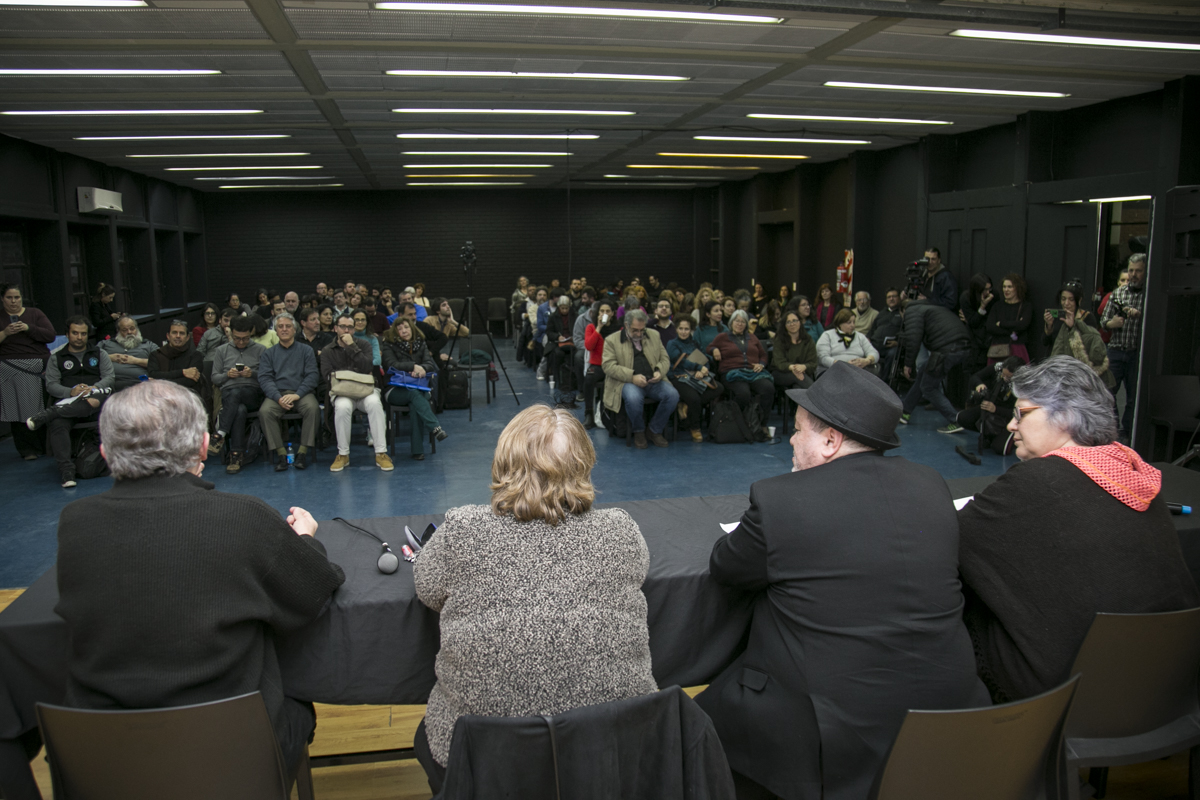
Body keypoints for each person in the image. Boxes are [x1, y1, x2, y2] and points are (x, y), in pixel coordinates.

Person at [697, 362, 988, 800]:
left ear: (830, 441)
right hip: (951, 714)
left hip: (830, 734)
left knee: (696, 724)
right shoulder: (931, 485)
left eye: (799, 431)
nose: (792, 440)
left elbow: (728, 566)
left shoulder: (780, 500)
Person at [54, 379, 345, 787]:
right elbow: (312, 591)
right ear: (204, 446)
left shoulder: (75, 524)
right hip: (232, 753)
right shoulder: (243, 517)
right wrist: (306, 542)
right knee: (296, 700)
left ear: (104, 452)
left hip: (105, 757)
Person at [411, 405, 658, 793]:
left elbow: (427, 589)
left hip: (480, 765)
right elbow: (639, 570)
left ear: (504, 462)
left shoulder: (462, 529)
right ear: (584, 464)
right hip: (614, 759)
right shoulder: (621, 530)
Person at [958, 357, 1200, 704]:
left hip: (1078, 696)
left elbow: (955, 540)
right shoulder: (1132, 473)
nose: (1011, 425)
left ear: (1067, 417)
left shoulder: (1036, 481)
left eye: (1022, 414)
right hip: (1164, 687)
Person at [26, 316, 114, 487]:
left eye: (83, 334)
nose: (79, 337)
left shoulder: (99, 353)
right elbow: (51, 385)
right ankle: (67, 472)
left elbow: (110, 378)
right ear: (67, 334)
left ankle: (48, 414)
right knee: (58, 423)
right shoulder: (56, 357)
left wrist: (93, 389)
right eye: (75, 333)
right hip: (68, 402)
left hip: (98, 399)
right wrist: (70, 391)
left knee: (92, 401)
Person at [323, 314, 391, 472]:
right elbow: (327, 374)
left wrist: (352, 347)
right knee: (342, 407)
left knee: (374, 403)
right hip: (343, 392)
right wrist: (356, 375)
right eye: (342, 326)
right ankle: (343, 454)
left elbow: (367, 366)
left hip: (365, 390)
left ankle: (381, 452)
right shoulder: (328, 350)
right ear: (335, 328)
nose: (346, 330)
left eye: (350, 327)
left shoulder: (364, 344)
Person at [602, 309, 679, 449]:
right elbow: (608, 366)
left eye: (642, 330)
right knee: (633, 398)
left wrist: (659, 371)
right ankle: (639, 431)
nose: (639, 334)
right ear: (626, 325)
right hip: (626, 382)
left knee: (673, 395)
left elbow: (665, 358)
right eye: (635, 330)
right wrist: (631, 376)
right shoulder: (611, 340)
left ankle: (654, 430)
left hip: (653, 380)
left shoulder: (654, 335)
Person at [258, 313, 320, 472]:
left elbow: (312, 375)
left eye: (288, 326)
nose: (284, 329)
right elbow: (265, 379)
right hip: (277, 395)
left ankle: (302, 452)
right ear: (276, 331)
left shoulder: (306, 350)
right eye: (280, 326)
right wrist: (278, 398)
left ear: (295, 329)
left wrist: (297, 394)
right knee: (265, 412)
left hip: (301, 393)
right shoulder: (268, 353)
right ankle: (281, 454)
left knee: (312, 408)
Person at [0, 283, 56, 459]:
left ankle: (46, 446)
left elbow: (50, 335)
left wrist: (28, 328)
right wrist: (5, 333)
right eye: (9, 298)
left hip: (37, 365)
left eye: (17, 297)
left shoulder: (34, 314)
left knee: (40, 406)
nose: (14, 301)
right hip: (9, 366)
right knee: (16, 409)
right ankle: (27, 449)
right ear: (2, 299)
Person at [898, 298, 970, 434]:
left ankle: (956, 420)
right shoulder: (932, 306)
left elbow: (913, 340)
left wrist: (908, 364)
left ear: (903, 311)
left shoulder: (912, 312)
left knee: (928, 387)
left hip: (946, 350)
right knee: (923, 373)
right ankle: (905, 412)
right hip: (962, 346)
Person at [381, 317, 448, 461]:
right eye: (399, 329)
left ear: (412, 328)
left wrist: (423, 369)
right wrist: (412, 366)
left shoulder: (421, 343)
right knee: (415, 395)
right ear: (395, 332)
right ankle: (435, 428)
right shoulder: (388, 345)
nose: (404, 331)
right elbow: (390, 364)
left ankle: (418, 450)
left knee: (415, 399)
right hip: (394, 389)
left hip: (419, 387)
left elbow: (430, 364)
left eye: (406, 327)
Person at [209, 314, 266, 473]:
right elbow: (214, 377)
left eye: (245, 338)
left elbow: (268, 375)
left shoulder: (260, 349)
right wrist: (228, 375)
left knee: (237, 395)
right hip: (229, 394)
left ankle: (220, 434)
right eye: (237, 338)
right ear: (230, 333)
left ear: (251, 333)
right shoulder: (221, 350)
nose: (241, 342)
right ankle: (236, 455)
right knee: (238, 409)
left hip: (252, 393)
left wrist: (252, 374)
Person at [1100, 253, 1147, 436]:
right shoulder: (1119, 293)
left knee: (1133, 397)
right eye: (1131, 270)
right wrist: (1113, 323)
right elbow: (1104, 321)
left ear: (1145, 271)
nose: (1134, 274)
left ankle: (1128, 432)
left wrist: (1139, 315)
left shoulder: (1148, 294)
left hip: (1137, 353)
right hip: (1116, 351)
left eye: (1138, 271)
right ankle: (1115, 431)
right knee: (1108, 392)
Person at [711, 309, 774, 436]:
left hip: (753, 372)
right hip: (731, 373)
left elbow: (763, 355)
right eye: (737, 321)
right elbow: (709, 347)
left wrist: (761, 365)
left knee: (768, 388)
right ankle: (739, 423)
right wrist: (714, 349)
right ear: (731, 322)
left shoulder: (753, 337)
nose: (740, 324)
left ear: (746, 324)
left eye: (743, 322)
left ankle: (761, 424)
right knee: (743, 393)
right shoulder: (722, 337)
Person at [666, 316, 722, 442]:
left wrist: (703, 370)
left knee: (719, 387)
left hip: (696, 376)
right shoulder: (672, 344)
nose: (684, 331)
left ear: (691, 330)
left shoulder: (694, 343)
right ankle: (695, 428)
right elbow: (680, 361)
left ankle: (686, 406)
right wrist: (698, 367)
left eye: (687, 329)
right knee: (694, 398)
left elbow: (704, 358)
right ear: (676, 329)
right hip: (678, 377)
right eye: (681, 328)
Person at [1044, 283, 1112, 388]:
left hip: (1079, 371)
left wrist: (1073, 326)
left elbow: (1091, 345)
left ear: (1078, 300)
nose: (1066, 303)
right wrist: (1048, 327)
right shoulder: (1059, 316)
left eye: (1071, 299)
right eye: (1063, 299)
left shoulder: (1087, 318)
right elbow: (1046, 342)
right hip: (1058, 368)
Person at [954, 356, 1023, 455]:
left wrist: (996, 409)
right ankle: (989, 435)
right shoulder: (997, 368)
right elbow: (975, 377)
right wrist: (979, 384)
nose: (1004, 378)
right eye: (1003, 374)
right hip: (989, 408)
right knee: (962, 417)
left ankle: (999, 436)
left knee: (1001, 449)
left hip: (1007, 417)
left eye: (1008, 377)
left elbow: (1017, 412)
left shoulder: (1022, 385)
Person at [582, 299, 617, 430]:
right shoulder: (591, 328)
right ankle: (589, 413)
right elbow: (589, 346)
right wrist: (599, 328)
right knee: (589, 379)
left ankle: (606, 413)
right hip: (597, 365)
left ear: (613, 313)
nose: (604, 313)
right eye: (602, 311)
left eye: (608, 311)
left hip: (613, 365)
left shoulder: (618, 329)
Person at [147, 319, 204, 395]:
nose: (178, 336)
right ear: (168, 336)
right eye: (174, 333)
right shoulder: (156, 355)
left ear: (187, 337)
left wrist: (161, 382)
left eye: (182, 333)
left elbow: (190, 381)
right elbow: (154, 375)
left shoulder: (196, 356)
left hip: (187, 396)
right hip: (161, 396)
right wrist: (182, 372)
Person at [985, 273, 1032, 365]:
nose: (1006, 290)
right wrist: (1013, 330)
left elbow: (1023, 326)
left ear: (1017, 288)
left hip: (1017, 349)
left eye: (1010, 287)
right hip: (998, 350)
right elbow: (990, 327)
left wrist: (1001, 324)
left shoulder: (1025, 306)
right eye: (1004, 287)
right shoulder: (997, 306)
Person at [100, 316, 157, 390]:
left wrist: (135, 361)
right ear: (118, 331)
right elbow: (92, 358)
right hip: (113, 383)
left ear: (137, 329)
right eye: (124, 330)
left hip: (140, 383)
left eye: (132, 329)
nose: (129, 332)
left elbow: (161, 361)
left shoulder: (148, 345)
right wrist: (109, 357)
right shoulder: (106, 344)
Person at [816, 309, 878, 375]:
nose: (852, 325)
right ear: (840, 323)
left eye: (854, 322)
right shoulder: (827, 335)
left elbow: (874, 353)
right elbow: (822, 357)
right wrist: (843, 365)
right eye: (849, 322)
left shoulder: (860, 336)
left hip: (857, 371)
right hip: (833, 370)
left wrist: (867, 361)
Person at [770, 310, 817, 392]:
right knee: (797, 377)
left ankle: (799, 404)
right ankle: (817, 396)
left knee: (797, 387)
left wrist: (804, 367)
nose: (792, 324)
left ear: (800, 322)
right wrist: (794, 368)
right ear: (784, 325)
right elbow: (779, 363)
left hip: (802, 373)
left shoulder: (808, 339)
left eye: (794, 320)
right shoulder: (779, 340)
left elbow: (813, 363)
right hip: (780, 373)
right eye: (788, 322)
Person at [959, 273, 994, 378]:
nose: (987, 292)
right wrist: (982, 307)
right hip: (973, 342)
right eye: (984, 290)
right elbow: (974, 322)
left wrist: (972, 319)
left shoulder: (993, 297)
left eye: (989, 289)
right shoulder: (966, 298)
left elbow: (991, 320)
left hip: (987, 340)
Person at [545, 294, 577, 406]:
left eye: (566, 308)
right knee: (558, 354)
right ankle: (559, 379)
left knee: (575, 355)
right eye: (562, 308)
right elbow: (549, 332)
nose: (564, 310)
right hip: (558, 343)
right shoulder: (553, 317)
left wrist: (574, 336)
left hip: (572, 341)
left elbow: (578, 329)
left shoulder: (575, 316)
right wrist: (557, 337)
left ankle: (573, 380)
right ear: (559, 307)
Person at [868, 288, 903, 381]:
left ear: (899, 298)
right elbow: (873, 329)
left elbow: (907, 332)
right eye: (889, 297)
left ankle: (884, 382)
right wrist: (867, 338)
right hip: (875, 344)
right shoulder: (882, 313)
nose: (891, 299)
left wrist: (898, 342)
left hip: (891, 346)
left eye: (894, 296)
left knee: (893, 354)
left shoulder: (903, 313)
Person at [918, 246, 958, 311]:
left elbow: (951, 303)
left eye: (933, 259)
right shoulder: (922, 274)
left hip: (939, 316)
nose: (930, 262)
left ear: (939, 260)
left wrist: (928, 301)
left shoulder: (946, 277)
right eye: (927, 259)